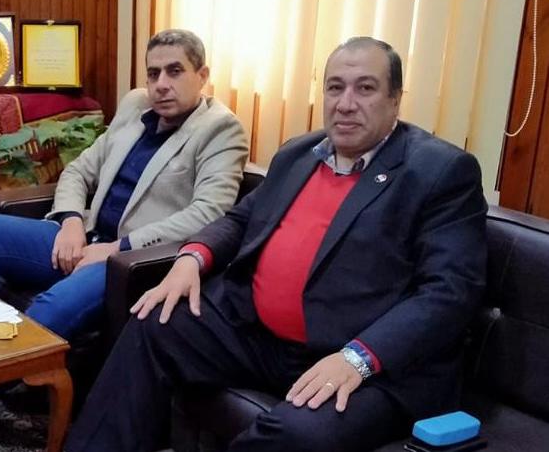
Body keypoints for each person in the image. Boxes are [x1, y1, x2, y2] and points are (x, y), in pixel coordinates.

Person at [65, 37, 487, 452]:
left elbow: (449, 292)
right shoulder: (299, 153)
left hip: (359, 359)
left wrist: (359, 357)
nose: (345, 103)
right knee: (153, 322)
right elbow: (242, 218)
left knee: (300, 434)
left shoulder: (440, 172)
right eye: (335, 87)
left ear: (395, 99)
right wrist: (192, 257)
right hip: (256, 335)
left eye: (365, 88)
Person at [0, 29, 248, 340]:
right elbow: (79, 170)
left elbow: (209, 215)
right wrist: (71, 222)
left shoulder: (220, 129)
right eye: (153, 73)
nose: (161, 84)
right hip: (87, 236)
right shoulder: (136, 106)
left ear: (202, 76)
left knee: (51, 308)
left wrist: (117, 248)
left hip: (130, 261)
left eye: (174, 71)